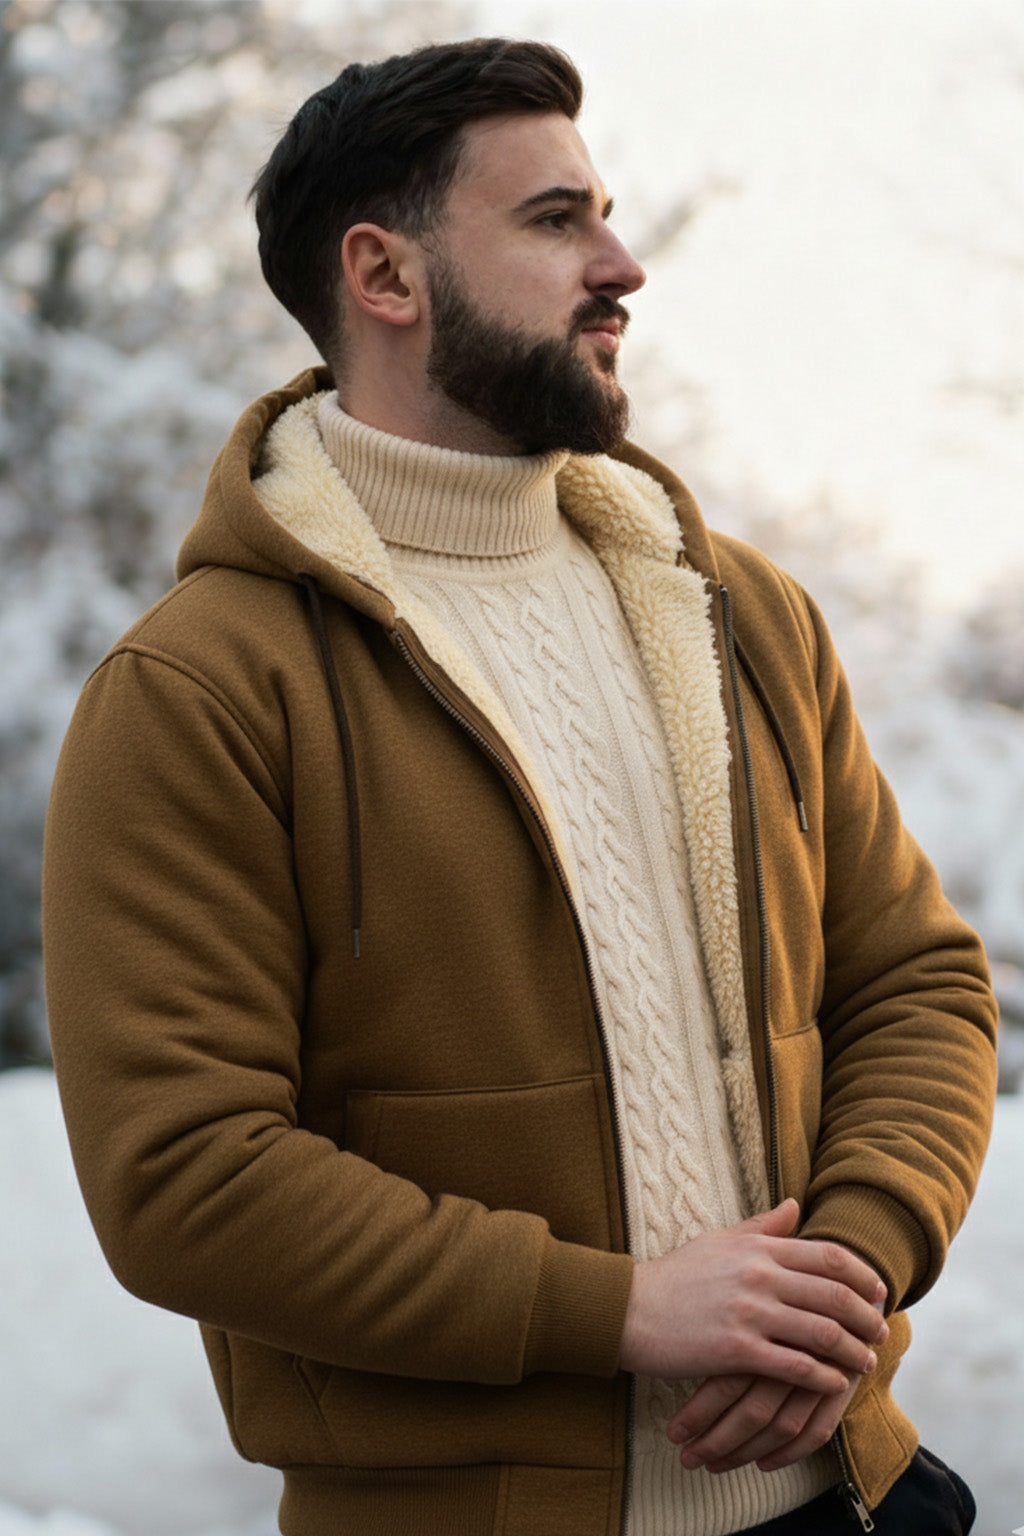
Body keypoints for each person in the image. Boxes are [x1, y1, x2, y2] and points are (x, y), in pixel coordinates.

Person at [43, 37, 997, 1536]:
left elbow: (918, 985)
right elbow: (185, 1172)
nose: (621, 264)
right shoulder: (199, 691)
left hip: (860, 1498)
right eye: (556, 220)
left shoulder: (744, 612)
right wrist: (619, 1311)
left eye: (604, 212)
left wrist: (854, 1264)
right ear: (386, 275)